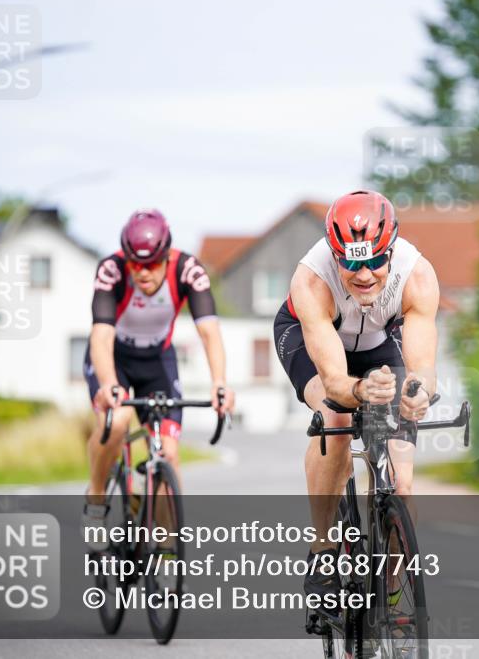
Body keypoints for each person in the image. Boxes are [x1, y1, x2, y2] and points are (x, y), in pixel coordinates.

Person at [273, 190, 440, 602]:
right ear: (334, 255)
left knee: (401, 484)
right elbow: (334, 381)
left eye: (374, 261)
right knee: (336, 418)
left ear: (391, 250)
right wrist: (360, 390)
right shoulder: (311, 280)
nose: (363, 274)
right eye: (350, 262)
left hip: (380, 340)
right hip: (311, 338)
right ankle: (323, 549)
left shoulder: (417, 275)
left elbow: (422, 368)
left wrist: (418, 393)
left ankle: (391, 596)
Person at [82, 209, 235, 538]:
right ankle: (96, 495)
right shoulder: (112, 270)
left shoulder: (187, 270)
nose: (142, 272)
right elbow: (101, 337)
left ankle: (165, 549)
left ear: (166, 256)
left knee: (169, 451)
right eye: (135, 264)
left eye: (151, 264)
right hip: (114, 358)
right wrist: (109, 384)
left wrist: (219, 383)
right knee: (118, 421)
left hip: (157, 360)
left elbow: (209, 333)